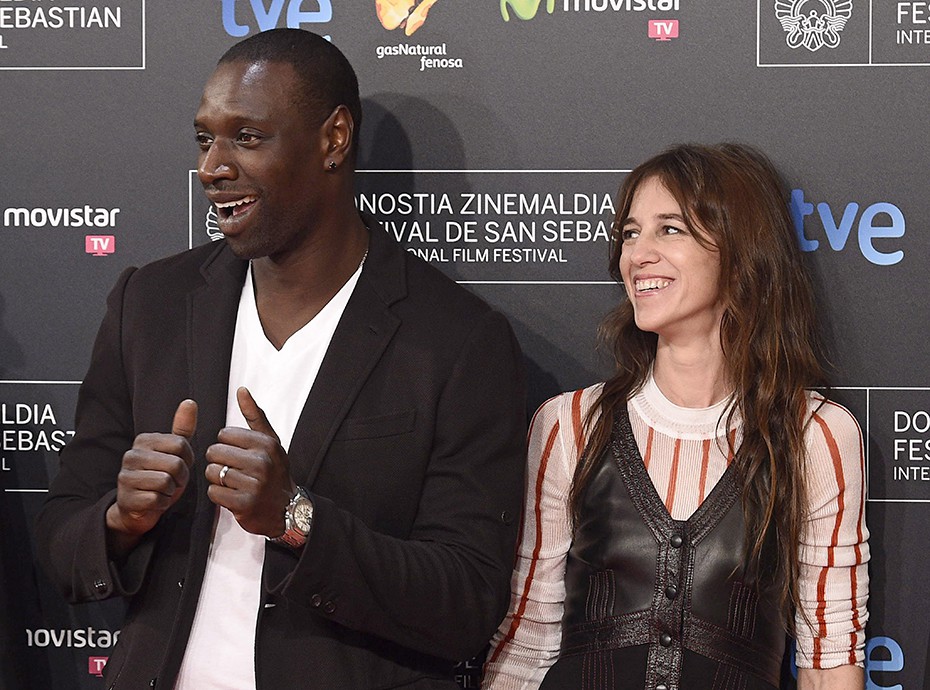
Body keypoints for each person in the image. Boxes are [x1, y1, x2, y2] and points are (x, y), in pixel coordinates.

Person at [35, 28, 527, 689]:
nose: (213, 166)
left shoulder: (456, 342)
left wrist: (298, 519)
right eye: (205, 139)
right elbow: (63, 543)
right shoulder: (148, 305)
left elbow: (465, 603)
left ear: (332, 139)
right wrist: (122, 519)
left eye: (246, 137)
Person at [482, 144, 869, 689]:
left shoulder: (815, 435)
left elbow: (830, 658)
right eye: (630, 232)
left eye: (670, 229)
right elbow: (528, 640)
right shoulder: (571, 424)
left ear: (740, 254)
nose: (637, 254)